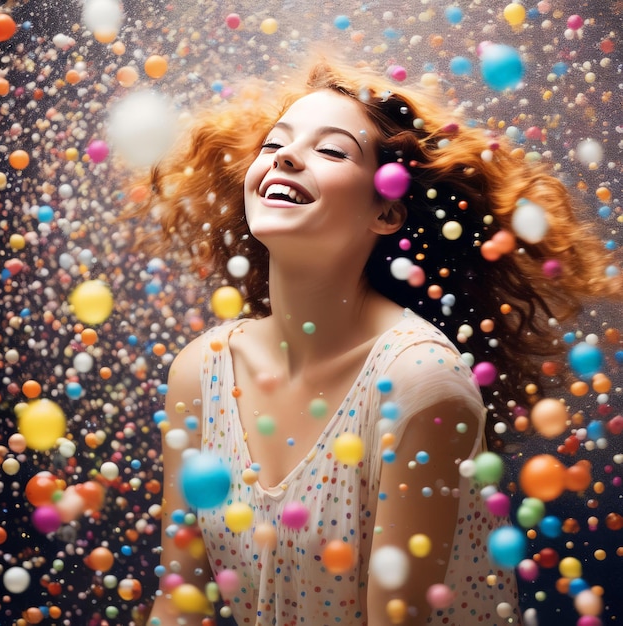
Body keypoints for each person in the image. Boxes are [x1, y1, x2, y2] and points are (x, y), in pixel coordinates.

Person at [124, 57, 621, 626]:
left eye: (332, 151)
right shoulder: (202, 371)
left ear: (386, 211)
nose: (284, 157)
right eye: (274, 144)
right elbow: (177, 604)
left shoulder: (420, 384)